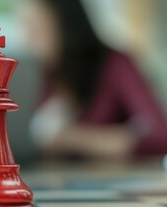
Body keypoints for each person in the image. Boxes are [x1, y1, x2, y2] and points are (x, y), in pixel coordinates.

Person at [24, 0, 167, 159]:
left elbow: (159, 134)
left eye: (36, 29)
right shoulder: (38, 78)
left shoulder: (115, 64)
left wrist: (68, 138)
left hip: (115, 178)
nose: (29, 41)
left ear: (65, 23)